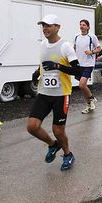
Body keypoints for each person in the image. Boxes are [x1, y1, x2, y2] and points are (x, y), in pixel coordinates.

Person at [27, 14, 81, 171]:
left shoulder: (65, 46)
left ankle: (68, 154)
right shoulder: (43, 44)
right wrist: (37, 72)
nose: (45, 28)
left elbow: (77, 70)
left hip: (61, 94)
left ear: (57, 27)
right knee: (32, 126)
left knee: (58, 130)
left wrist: (58, 66)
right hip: (44, 92)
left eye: (49, 25)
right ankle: (52, 145)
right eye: (43, 25)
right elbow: (44, 64)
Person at [73, 19, 101, 114]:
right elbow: (74, 48)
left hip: (88, 64)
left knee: (81, 84)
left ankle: (91, 99)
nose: (82, 26)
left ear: (88, 27)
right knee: (82, 86)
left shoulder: (92, 37)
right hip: (79, 64)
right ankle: (89, 104)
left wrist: (91, 52)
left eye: (84, 25)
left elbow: (99, 48)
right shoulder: (76, 36)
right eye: (80, 25)